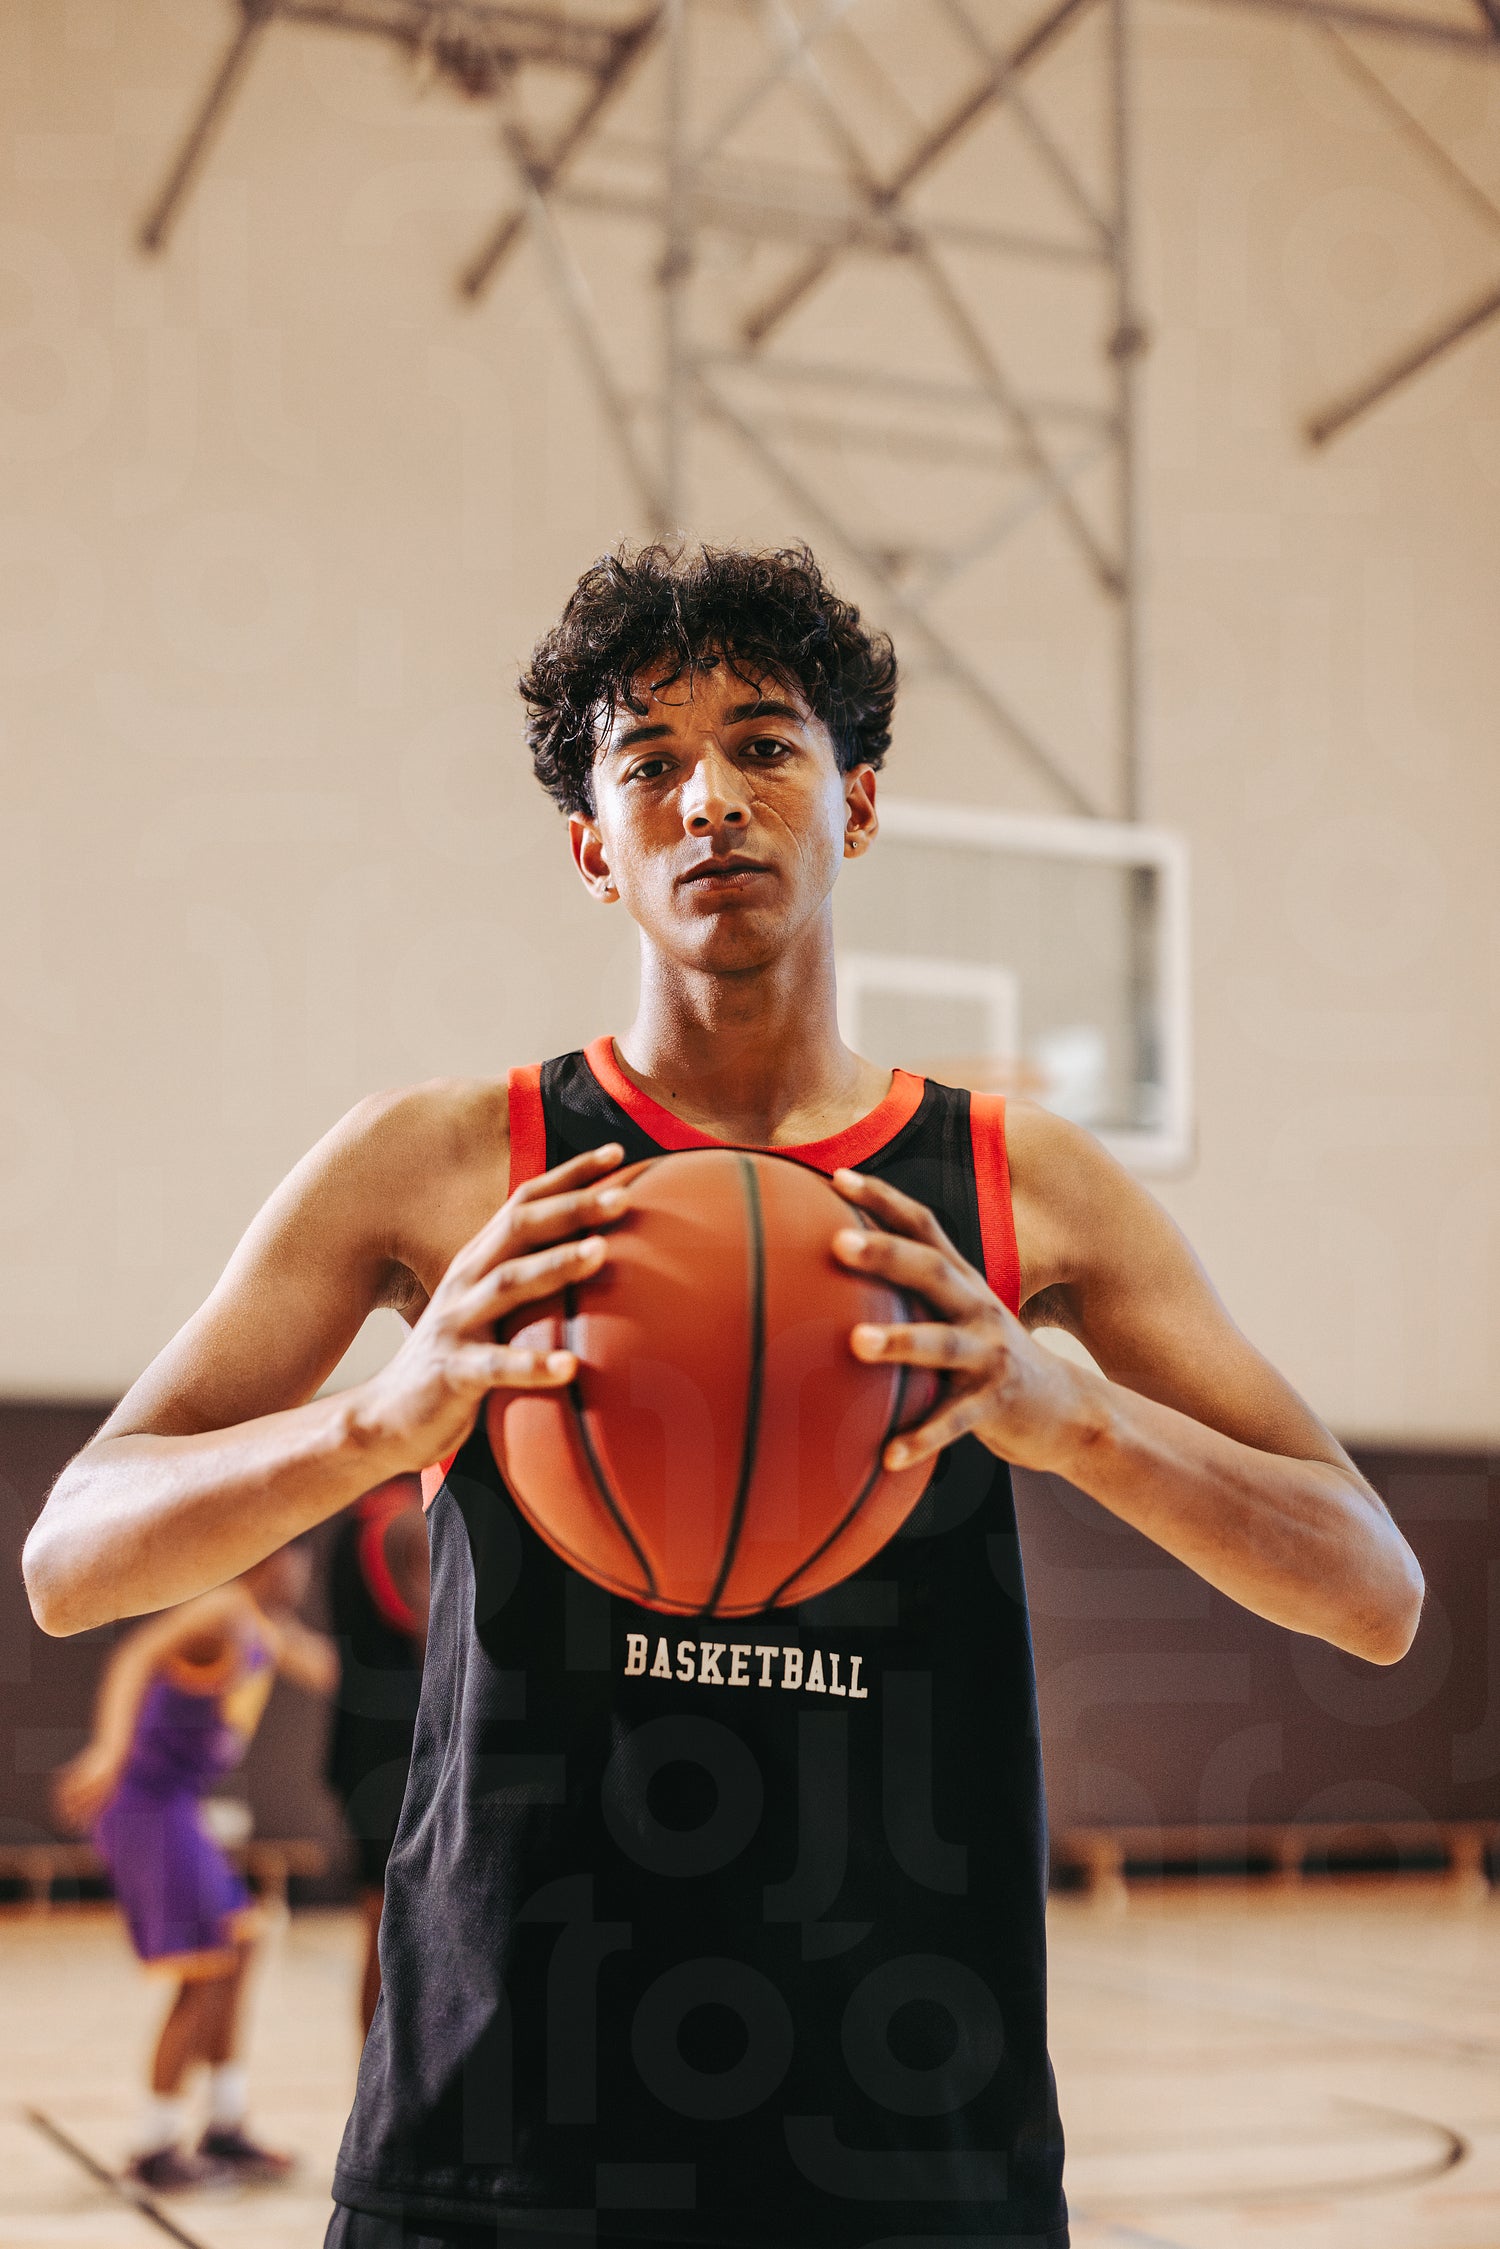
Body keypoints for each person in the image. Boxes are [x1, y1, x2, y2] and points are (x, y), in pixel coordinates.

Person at [26, 543, 1424, 2249]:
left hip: (912, 2147)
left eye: (766, 745)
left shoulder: (1020, 1187)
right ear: (591, 848)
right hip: (496, 2135)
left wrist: (1070, 1414)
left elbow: (1374, 1590)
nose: (711, 800)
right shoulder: (445, 1162)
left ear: (859, 805)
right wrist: (381, 1418)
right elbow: (72, 1556)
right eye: (651, 763)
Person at [52, 1541, 337, 2191]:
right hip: (147, 1803)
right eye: (296, 1556)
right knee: (206, 1965)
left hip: (176, 1802)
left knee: (240, 1943)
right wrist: (108, 1749)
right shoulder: (222, 1609)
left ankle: (226, 2125)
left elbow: (333, 1670)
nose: (304, 1571)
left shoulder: (266, 1624)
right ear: (270, 1559)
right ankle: (154, 2146)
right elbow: (135, 1654)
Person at [324, 1474, 429, 2035]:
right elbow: (439, 1631)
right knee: (397, 1926)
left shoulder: (350, 1527)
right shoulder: (405, 1523)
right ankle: (385, 2076)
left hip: (357, 1747)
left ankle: (373, 2076)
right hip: (397, 1751)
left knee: (382, 1924)